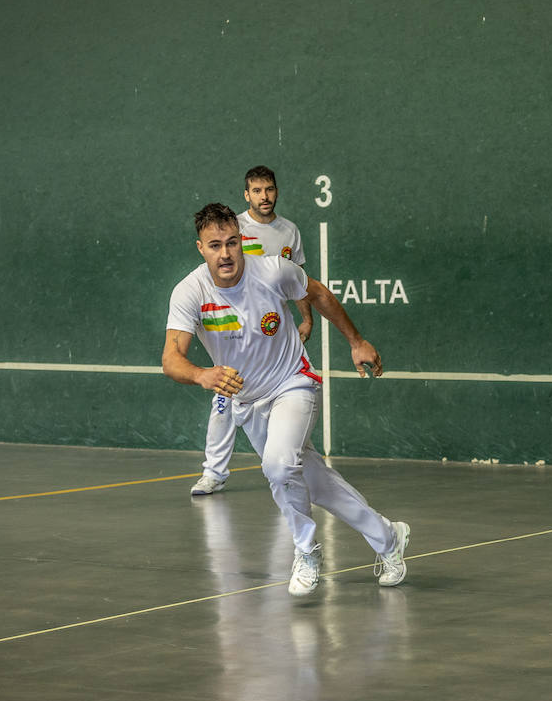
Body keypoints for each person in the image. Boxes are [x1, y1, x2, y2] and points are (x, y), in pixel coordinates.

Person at [163, 202, 410, 596]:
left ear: (242, 240)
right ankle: (389, 538)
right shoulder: (189, 291)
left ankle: (307, 550)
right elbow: (171, 359)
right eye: (214, 246)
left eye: (231, 243)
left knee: (279, 465)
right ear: (200, 248)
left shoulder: (273, 270)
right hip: (249, 403)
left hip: (293, 382)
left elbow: (318, 294)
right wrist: (201, 374)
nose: (225, 254)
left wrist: (357, 341)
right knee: (316, 483)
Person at [190, 166, 314, 496]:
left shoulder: (290, 231)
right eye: (257, 190)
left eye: (269, 189)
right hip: (235, 328)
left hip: (274, 330)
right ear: (247, 195)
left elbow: (299, 280)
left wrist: (306, 319)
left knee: (290, 401)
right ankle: (214, 471)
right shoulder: (233, 229)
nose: (264, 196)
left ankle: (295, 468)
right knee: (224, 398)